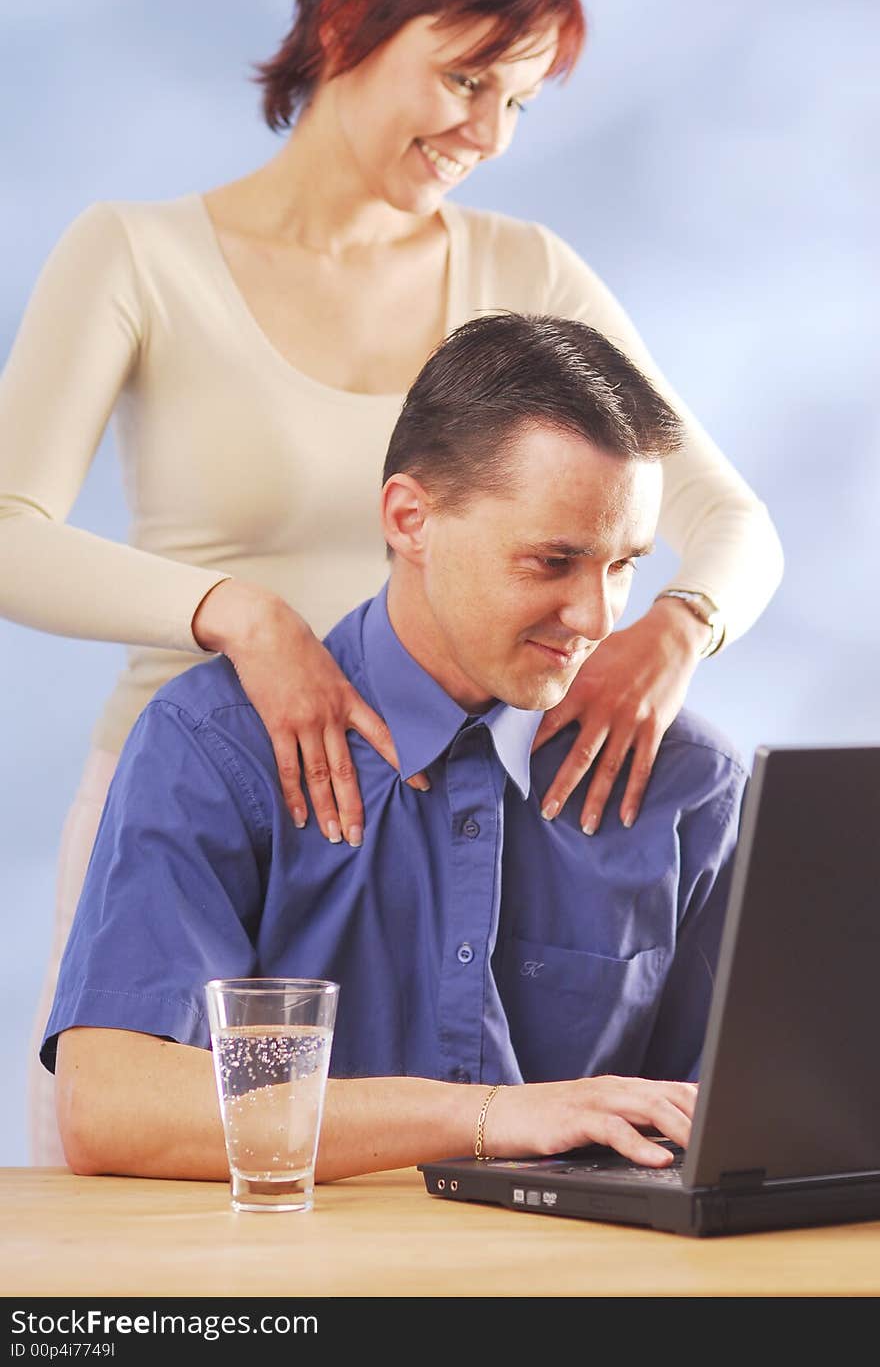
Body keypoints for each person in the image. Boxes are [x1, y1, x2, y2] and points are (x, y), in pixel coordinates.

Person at [0, 0, 781, 1164]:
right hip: (247, 804)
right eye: (468, 79)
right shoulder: (141, 254)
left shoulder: (525, 270)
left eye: (517, 99)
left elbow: (713, 506)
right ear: (342, 28)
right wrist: (237, 616)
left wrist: (680, 620)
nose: (490, 131)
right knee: (200, 1189)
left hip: (492, 765)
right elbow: (10, 529)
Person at [42, 313, 748, 1181]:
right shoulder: (216, 748)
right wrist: (491, 1116)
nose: (600, 620)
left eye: (626, 563)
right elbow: (113, 1109)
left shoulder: (692, 786)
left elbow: (739, 1135)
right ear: (411, 519)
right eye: (553, 561)